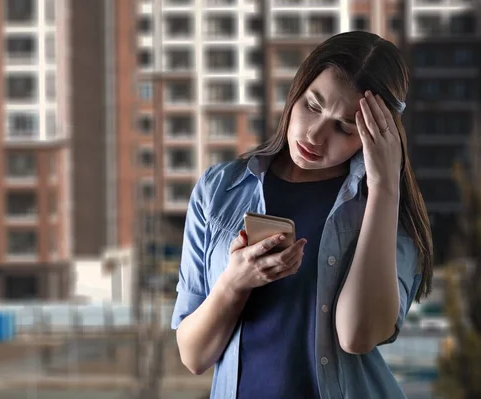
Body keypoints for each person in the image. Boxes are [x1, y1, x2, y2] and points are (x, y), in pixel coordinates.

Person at [171, 31, 434, 399]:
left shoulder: (392, 213)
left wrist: (384, 188)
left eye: (344, 127)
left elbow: (357, 336)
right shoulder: (219, 191)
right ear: (296, 91)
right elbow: (194, 355)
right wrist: (234, 283)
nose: (314, 135)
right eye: (312, 106)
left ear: (373, 135)